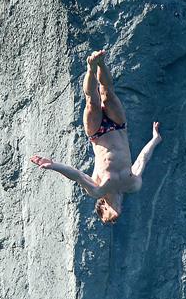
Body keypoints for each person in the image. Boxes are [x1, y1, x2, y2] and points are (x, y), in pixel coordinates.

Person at [30, 50, 162, 224]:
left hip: (97, 134)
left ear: (104, 207)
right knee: (107, 94)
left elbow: (76, 175)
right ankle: (100, 62)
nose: (113, 220)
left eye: (108, 220)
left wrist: (53, 165)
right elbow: (142, 160)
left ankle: (91, 68)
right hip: (118, 127)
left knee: (92, 100)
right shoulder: (132, 185)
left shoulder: (97, 190)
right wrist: (155, 139)